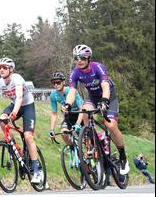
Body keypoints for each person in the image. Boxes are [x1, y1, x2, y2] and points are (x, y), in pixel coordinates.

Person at [63, 44, 130, 175]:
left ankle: (123, 156)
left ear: (88, 58)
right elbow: (72, 91)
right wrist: (67, 104)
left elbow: (105, 86)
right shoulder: (75, 73)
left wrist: (105, 101)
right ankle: (91, 143)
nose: (79, 61)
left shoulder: (98, 67)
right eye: (77, 58)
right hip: (93, 97)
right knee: (85, 111)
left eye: (82, 58)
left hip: (109, 96)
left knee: (110, 125)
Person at [0, 57, 43, 184]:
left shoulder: (17, 78)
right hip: (13, 104)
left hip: (27, 106)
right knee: (2, 119)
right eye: (0, 67)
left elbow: (20, 97)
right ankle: (12, 143)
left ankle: (37, 170)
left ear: (11, 69)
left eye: (4, 67)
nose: (1, 69)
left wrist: (14, 113)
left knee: (28, 136)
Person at [48, 71, 84, 149]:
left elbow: (82, 109)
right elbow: (54, 113)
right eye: (54, 83)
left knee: (86, 137)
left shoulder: (71, 91)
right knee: (63, 133)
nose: (56, 85)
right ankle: (74, 150)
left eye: (58, 82)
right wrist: (52, 129)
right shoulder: (53, 95)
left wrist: (78, 124)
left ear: (63, 82)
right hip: (69, 115)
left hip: (80, 113)